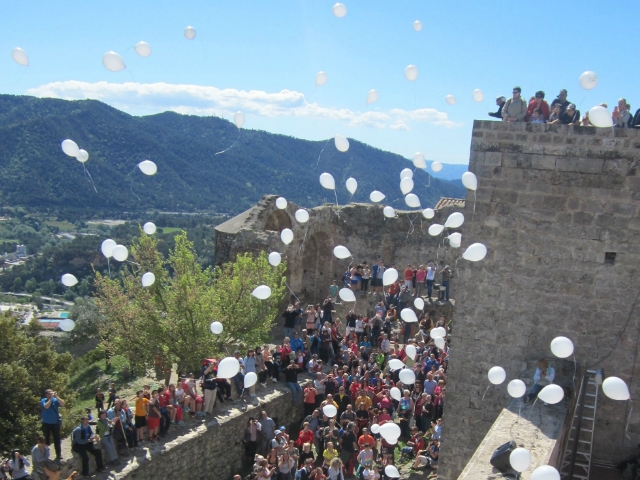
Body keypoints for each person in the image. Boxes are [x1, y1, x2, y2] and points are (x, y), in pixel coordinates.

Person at [41, 389, 65, 462]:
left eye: (51, 393)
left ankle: (58, 454)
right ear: (46, 395)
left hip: (55, 423)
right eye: (49, 394)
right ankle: (45, 455)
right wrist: (51, 399)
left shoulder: (55, 400)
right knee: (46, 439)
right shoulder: (43, 400)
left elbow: (63, 404)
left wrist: (56, 396)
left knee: (57, 439)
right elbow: (46, 407)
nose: (51, 395)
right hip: (46, 423)